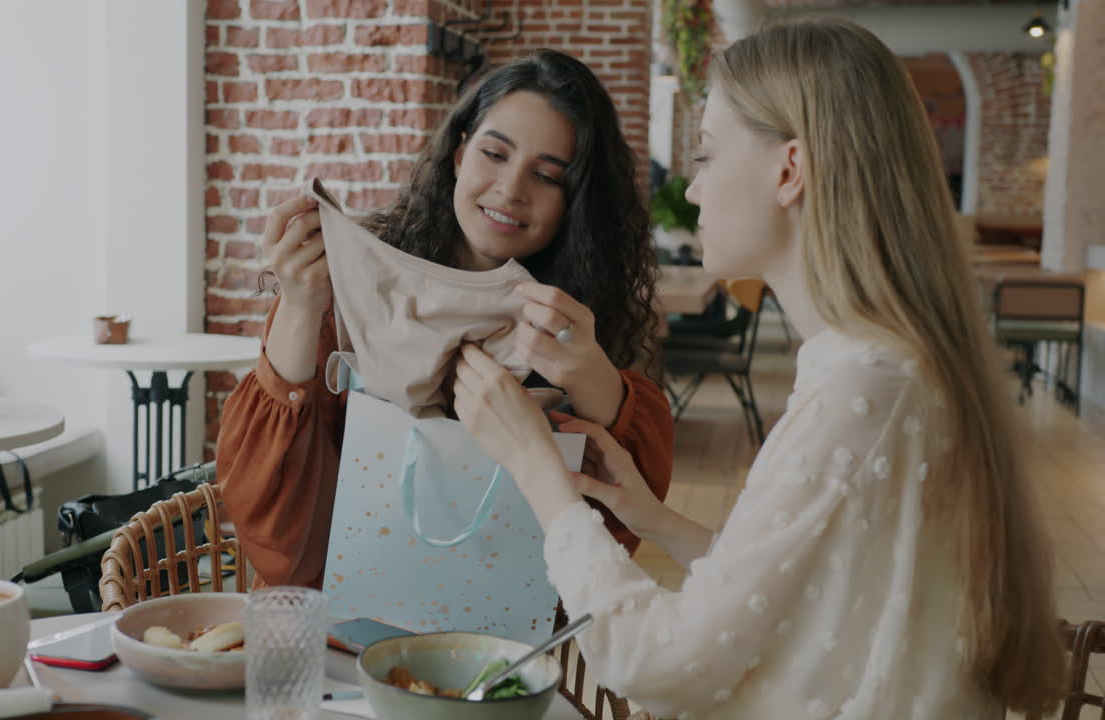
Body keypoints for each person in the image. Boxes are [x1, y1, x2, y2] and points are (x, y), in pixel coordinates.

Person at [449, 19, 1066, 719]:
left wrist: (536, 467)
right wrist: (656, 520)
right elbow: (812, 590)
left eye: (707, 155)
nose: (693, 188)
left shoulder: (866, 386)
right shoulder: (874, 363)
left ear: (789, 170)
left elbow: (659, 666)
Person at [217, 49, 673, 590]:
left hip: (500, 631)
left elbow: (619, 531)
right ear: (459, 153)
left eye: (546, 176)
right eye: (494, 154)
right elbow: (269, 529)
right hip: (331, 618)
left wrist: (589, 375)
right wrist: (298, 305)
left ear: (576, 201)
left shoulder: (578, 323)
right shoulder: (349, 282)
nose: (511, 189)